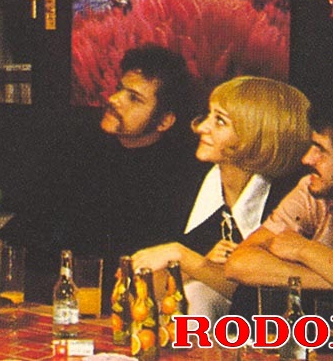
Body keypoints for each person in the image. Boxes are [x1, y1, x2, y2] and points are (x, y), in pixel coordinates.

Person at [0, 45, 205, 304]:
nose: (114, 99)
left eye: (134, 98)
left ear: (164, 121)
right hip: (58, 290)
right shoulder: (82, 146)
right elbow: (36, 216)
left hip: (126, 300)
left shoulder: (182, 176)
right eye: (119, 89)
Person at [132, 76, 311, 321]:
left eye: (220, 121)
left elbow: (266, 305)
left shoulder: (291, 202)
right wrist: (201, 266)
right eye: (209, 115)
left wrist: (186, 259)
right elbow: (141, 293)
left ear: (256, 136)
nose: (201, 127)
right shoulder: (179, 186)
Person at [226, 97, 333, 310]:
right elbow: (239, 263)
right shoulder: (312, 190)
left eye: (321, 150)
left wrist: (305, 250)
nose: (307, 159)